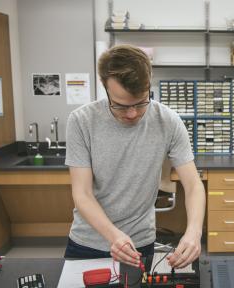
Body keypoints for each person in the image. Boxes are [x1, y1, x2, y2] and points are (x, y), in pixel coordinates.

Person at [64, 44, 206, 269]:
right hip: (87, 243)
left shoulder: (168, 121)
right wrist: (113, 236)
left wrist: (194, 232)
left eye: (140, 103)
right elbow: (82, 193)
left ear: (149, 84)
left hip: (140, 243)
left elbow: (193, 186)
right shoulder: (81, 121)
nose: (132, 114)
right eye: (120, 106)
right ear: (105, 88)